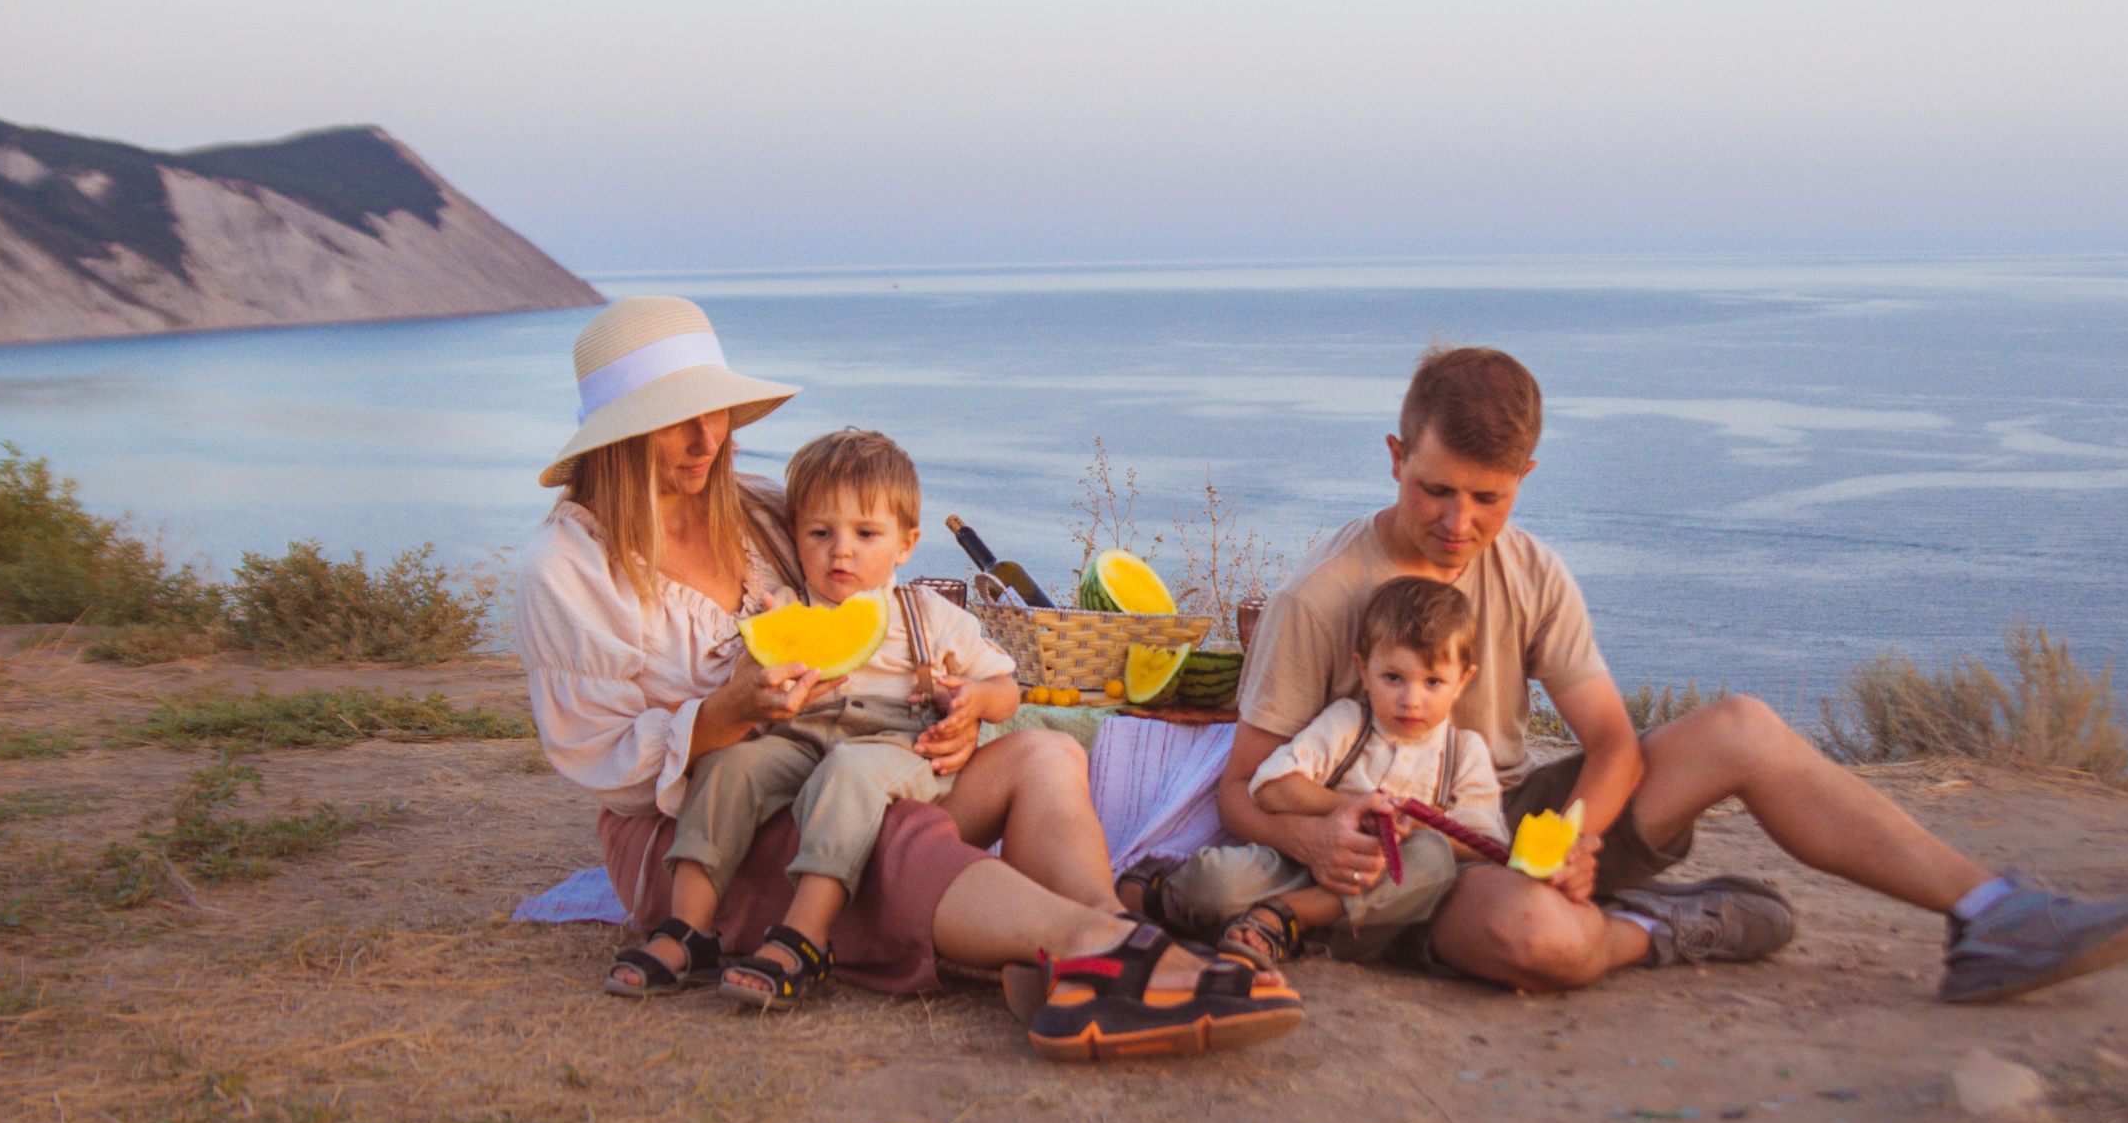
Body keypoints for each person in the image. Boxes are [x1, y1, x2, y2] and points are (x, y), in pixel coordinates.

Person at [1217, 344, 2128, 1001]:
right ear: (1395, 458)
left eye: (1488, 497)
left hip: (1516, 815)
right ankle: (1670, 926)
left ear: (1526, 478)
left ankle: (1993, 912)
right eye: (1435, 488)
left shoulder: (1532, 567)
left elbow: (1614, 742)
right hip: (1415, 861)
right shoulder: (1323, 594)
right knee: (1538, 944)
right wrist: (1313, 842)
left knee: (1744, 726)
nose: (1459, 521)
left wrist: (1571, 839)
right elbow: (1238, 787)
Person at [513, 295, 1303, 1059]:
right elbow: (605, 763)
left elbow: (865, 604)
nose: (704, 437)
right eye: (671, 419)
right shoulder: (569, 570)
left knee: (1043, 756)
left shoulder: (758, 511)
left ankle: (1100, 924)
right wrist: (727, 712)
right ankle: (1087, 948)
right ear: (619, 435)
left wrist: (963, 719)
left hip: (836, 767)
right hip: (697, 824)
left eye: (712, 410)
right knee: (881, 818)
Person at [642, 428, 1021, 1008]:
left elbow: (1006, 688)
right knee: (729, 766)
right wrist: (763, 649)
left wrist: (974, 700)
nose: (840, 551)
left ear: (906, 543)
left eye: (866, 534)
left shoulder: (928, 615)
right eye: (820, 533)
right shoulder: (788, 608)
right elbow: (752, 684)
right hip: (800, 736)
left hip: (894, 742)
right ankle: (688, 931)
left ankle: (804, 937)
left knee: (849, 772)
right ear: (795, 537)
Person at [1130, 576, 1506, 971]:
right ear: (1363, 670)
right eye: (1393, 677)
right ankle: (1161, 898)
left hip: (1381, 898)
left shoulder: (1464, 752)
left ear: (1462, 681)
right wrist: (1351, 807)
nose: (1411, 700)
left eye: (1433, 682)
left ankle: (1288, 915)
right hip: (1305, 871)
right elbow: (1270, 787)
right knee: (1217, 881)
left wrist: (1419, 825)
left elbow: (1487, 845)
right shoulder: (1347, 723)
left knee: (1433, 860)